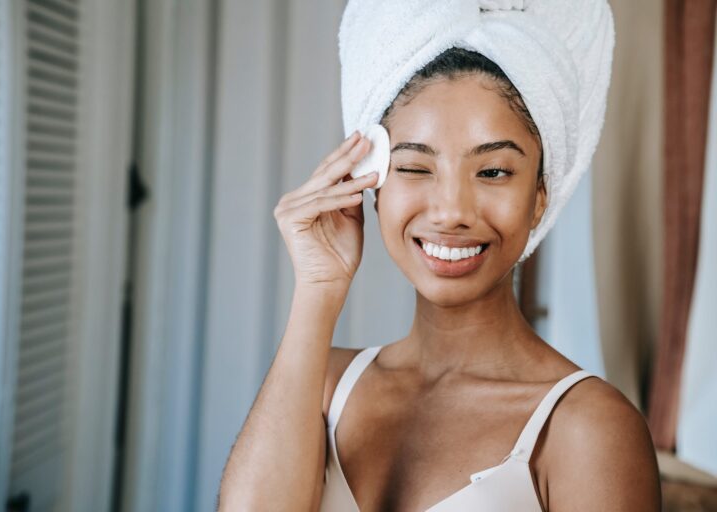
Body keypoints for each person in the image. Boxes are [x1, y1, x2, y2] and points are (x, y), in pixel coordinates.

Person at [219, 7, 662, 512]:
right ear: (373, 185)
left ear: (540, 195)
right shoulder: (323, 387)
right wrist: (317, 290)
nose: (452, 212)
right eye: (413, 167)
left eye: (493, 171)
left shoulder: (587, 427)